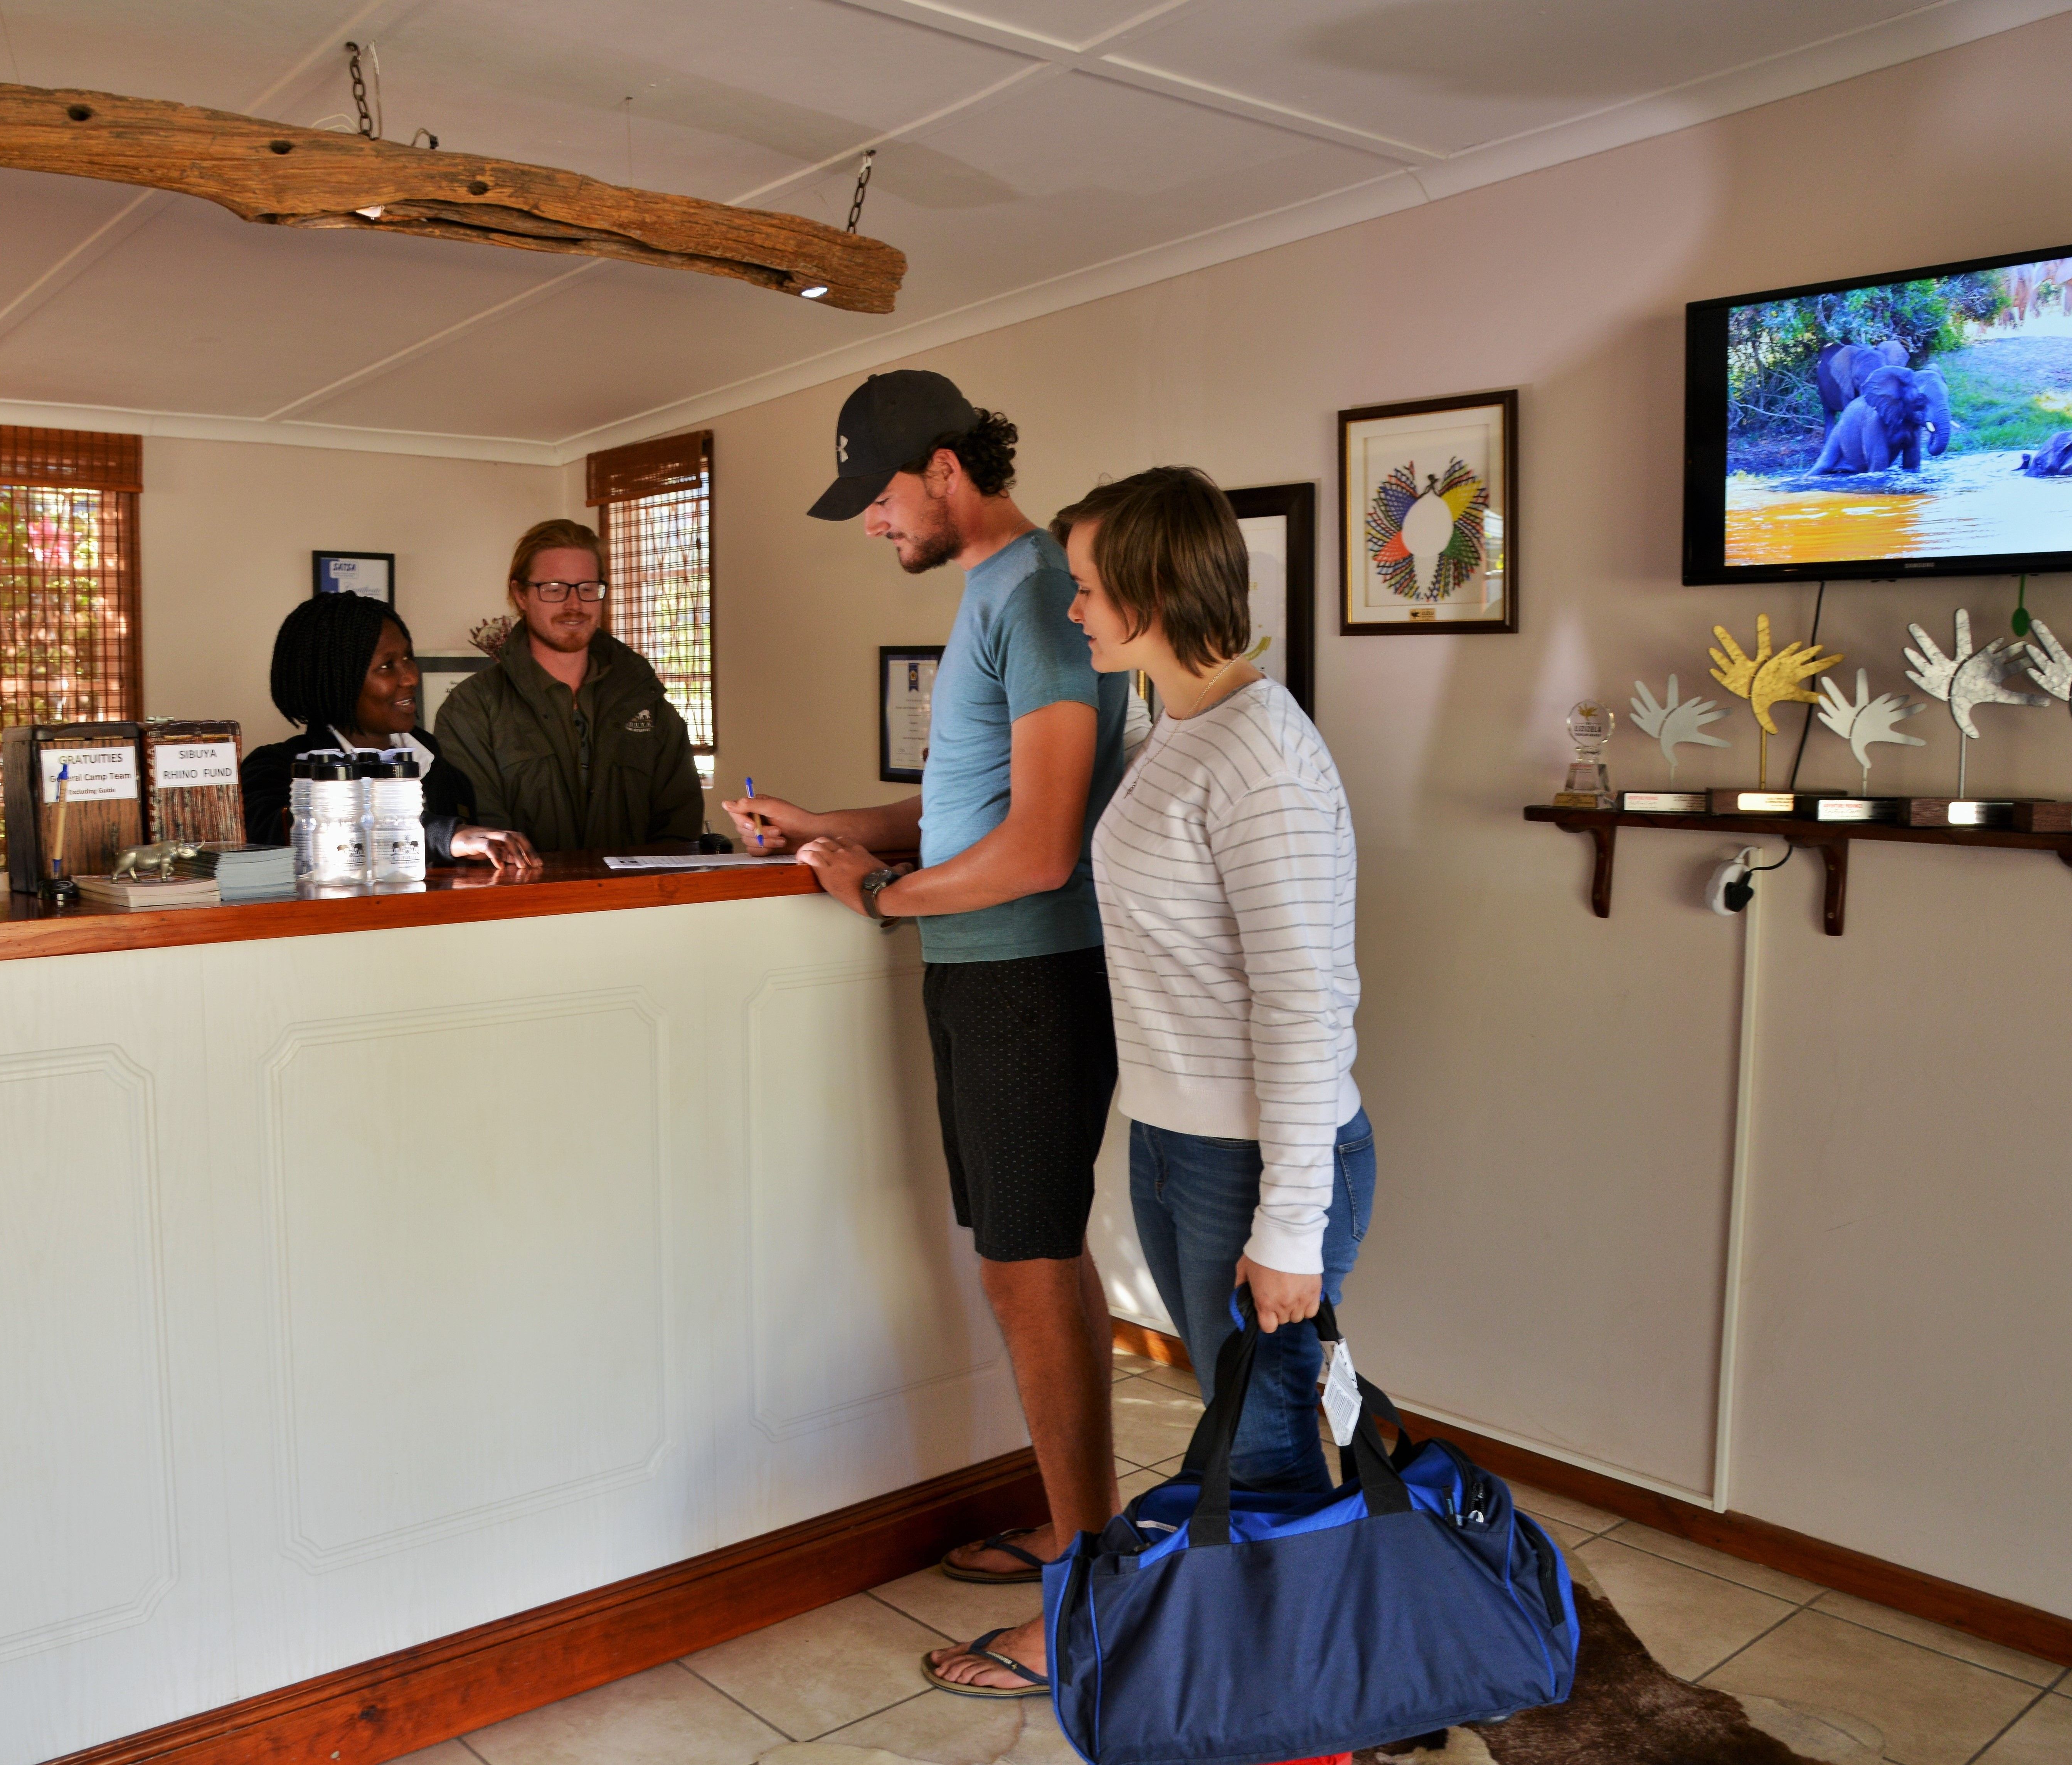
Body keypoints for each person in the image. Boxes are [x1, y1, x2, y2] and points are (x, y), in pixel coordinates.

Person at [722, 371, 1128, 1702]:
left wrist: (879, 896)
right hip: (984, 972)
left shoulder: (1039, 593)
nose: (871, 520)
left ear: (947, 467)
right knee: (1032, 1261)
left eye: (880, 493)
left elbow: (1042, 844)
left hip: (1028, 977)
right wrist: (821, 825)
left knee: (1027, 1268)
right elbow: (962, 805)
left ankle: (1090, 1597)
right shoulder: (994, 589)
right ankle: (1079, 1534)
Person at [1061, 465, 1373, 1498]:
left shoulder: (1261, 757)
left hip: (1251, 1158)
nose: (1074, 610)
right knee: (1239, 1427)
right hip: (1174, 1139)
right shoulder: (1181, 726)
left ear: (1149, 593)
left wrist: (1288, 1225)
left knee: (1261, 1448)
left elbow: (1302, 1004)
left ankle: (1298, 1612)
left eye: (1086, 589)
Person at [433, 518, 704, 854]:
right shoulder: (474, 708)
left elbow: (679, 832)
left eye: (588, 588)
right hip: (529, 889)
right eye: (554, 588)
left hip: (639, 890)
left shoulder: (646, 702)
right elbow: (483, 841)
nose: (574, 604)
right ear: (520, 595)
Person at [240, 593, 538, 872]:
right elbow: (299, 839)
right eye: (387, 666)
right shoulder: (278, 769)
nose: (411, 677)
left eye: (408, 658)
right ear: (336, 680)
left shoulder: (440, 767)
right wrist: (443, 835)